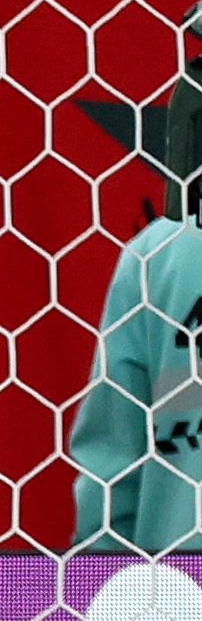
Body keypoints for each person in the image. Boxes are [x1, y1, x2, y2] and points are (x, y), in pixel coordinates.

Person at [71, 60, 202, 553]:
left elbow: (112, 474)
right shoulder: (158, 256)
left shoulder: (158, 255)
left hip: (172, 607)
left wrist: (104, 593)